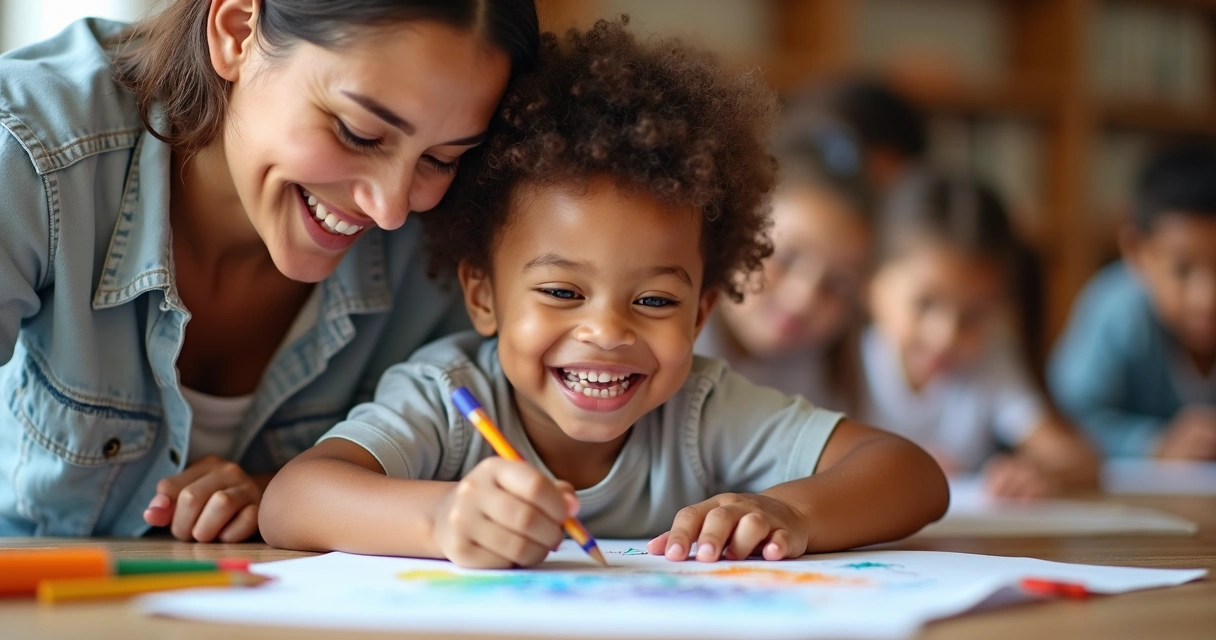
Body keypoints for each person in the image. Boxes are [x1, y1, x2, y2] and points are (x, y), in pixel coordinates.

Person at [259, 18, 948, 569]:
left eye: (654, 302)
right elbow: (292, 499)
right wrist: (442, 518)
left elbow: (911, 474)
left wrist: (793, 513)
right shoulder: (447, 396)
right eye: (562, 291)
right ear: (483, 296)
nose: (608, 331)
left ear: (702, 310)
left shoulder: (703, 409)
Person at [0, 0, 539, 540]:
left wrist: (282, 491)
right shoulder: (29, 149)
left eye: (440, 159)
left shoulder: (453, 239)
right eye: (358, 132)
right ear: (236, 32)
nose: (391, 208)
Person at [861, 175, 1099, 498]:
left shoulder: (990, 360)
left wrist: (1038, 471)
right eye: (924, 303)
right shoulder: (846, 359)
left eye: (975, 315)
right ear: (870, 283)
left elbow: (1081, 461)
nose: (945, 336)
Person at [696, 110, 872, 413]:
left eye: (838, 283)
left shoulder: (828, 378)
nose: (802, 299)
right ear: (731, 233)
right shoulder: (673, 350)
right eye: (784, 258)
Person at [1050, 145, 1216, 460]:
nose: (1207, 298)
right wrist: (1155, 443)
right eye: (1182, 270)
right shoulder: (1116, 312)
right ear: (1136, 251)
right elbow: (1070, 421)